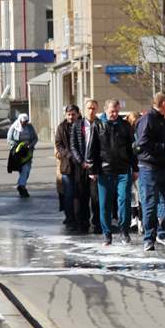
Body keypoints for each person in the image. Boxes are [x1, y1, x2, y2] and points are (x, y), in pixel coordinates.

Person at [135, 93, 165, 251]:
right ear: (163, 103)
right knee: (150, 204)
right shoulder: (147, 119)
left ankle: (163, 233)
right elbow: (143, 143)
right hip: (149, 168)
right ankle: (149, 238)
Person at [87, 99, 137, 246]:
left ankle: (124, 231)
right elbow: (92, 149)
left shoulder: (125, 125)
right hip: (105, 170)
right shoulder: (98, 125)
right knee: (105, 204)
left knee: (124, 200)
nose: (114, 114)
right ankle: (107, 234)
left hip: (123, 170)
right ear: (105, 110)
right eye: (111, 111)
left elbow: (132, 148)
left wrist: (135, 168)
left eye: (116, 111)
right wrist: (92, 169)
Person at [70, 99, 101, 231]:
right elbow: (73, 146)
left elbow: (103, 147)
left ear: (97, 109)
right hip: (81, 166)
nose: (91, 111)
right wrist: (81, 161)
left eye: (94, 108)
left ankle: (97, 223)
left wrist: (96, 164)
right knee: (82, 196)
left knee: (96, 197)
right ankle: (83, 222)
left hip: (95, 167)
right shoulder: (77, 125)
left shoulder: (101, 125)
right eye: (89, 108)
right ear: (84, 110)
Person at [55, 105, 82, 228]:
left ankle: (81, 218)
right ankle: (70, 218)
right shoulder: (61, 127)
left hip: (81, 166)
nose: (71, 117)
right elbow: (58, 144)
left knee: (81, 193)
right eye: (69, 114)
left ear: (78, 114)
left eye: (73, 114)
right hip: (67, 166)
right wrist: (68, 154)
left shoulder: (83, 125)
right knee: (68, 194)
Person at [7, 113, 38, 197]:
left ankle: (21, 185)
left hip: (28, 152)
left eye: (26, 121)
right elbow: (9, 139)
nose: (24, 123)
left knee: (27, 169)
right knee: (24, 169)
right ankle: (22, 186)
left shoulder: (30, 127)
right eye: (23, 122)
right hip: (18, 152)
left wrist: (30, 145)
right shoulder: (14, 127)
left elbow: (35, 138)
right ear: (19, 120)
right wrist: (18, 145)